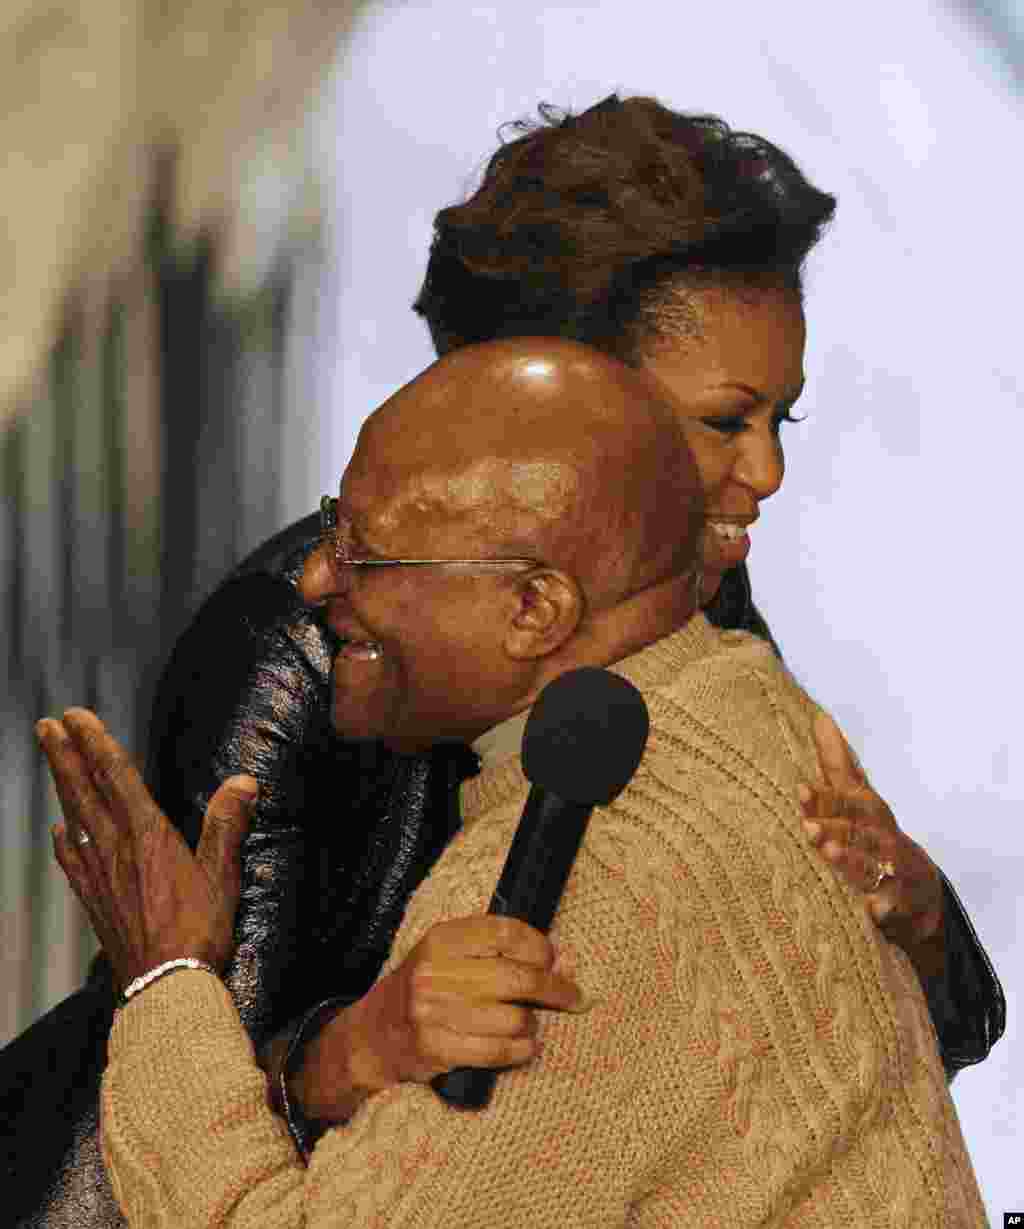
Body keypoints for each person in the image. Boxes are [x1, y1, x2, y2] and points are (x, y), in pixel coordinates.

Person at [2, 93, 1002, 1225]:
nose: (764, 472)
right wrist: (351, 1044)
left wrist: (914, 918)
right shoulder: (305, 650)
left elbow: (854, 1042)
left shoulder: (697, 649)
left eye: (782, 419)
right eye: (722, 421)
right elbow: (167, 1061)